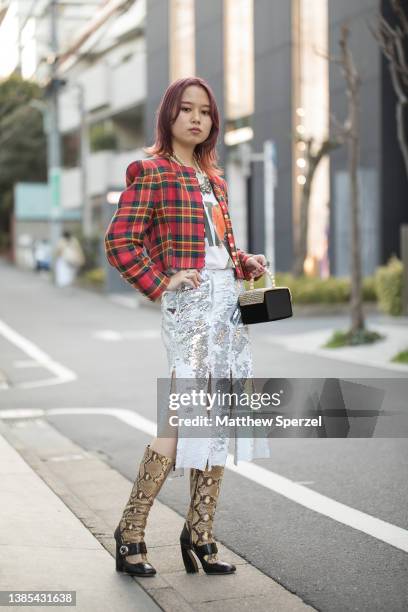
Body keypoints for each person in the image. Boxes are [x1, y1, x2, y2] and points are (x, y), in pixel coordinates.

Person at [105, 76, 271, 578]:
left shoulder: (213, 180)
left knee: (215, 418)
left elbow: (216, 249)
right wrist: (161, 282)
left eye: (205, 112)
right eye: (186, 110)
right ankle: (130, 531)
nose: (197, 119)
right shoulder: (151, 172)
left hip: (225, 310)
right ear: (169, 117)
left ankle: (199, 533)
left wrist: (245, 261)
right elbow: (119, 243)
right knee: (178, 422)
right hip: (190, 311)